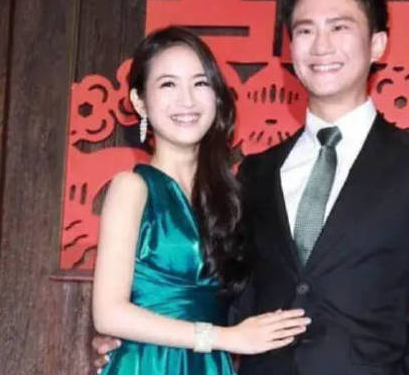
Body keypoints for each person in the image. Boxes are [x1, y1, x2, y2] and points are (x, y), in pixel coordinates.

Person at [95, 0, 409, 374]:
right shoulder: (255, 173)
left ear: (377, 44)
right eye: (305, 31)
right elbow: (233, 298)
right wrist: (134, 338)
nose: (321, 46)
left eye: (339, 28)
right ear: (290, 48)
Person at [91, 26, 310, 375]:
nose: (187, 100)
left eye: (200, 83)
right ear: (139, 101)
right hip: (149, 364)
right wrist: (225, 338)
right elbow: (108, 314)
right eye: (168, 85)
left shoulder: (232, 197)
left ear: (217, 96)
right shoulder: (132, 188)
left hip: (210, 364)